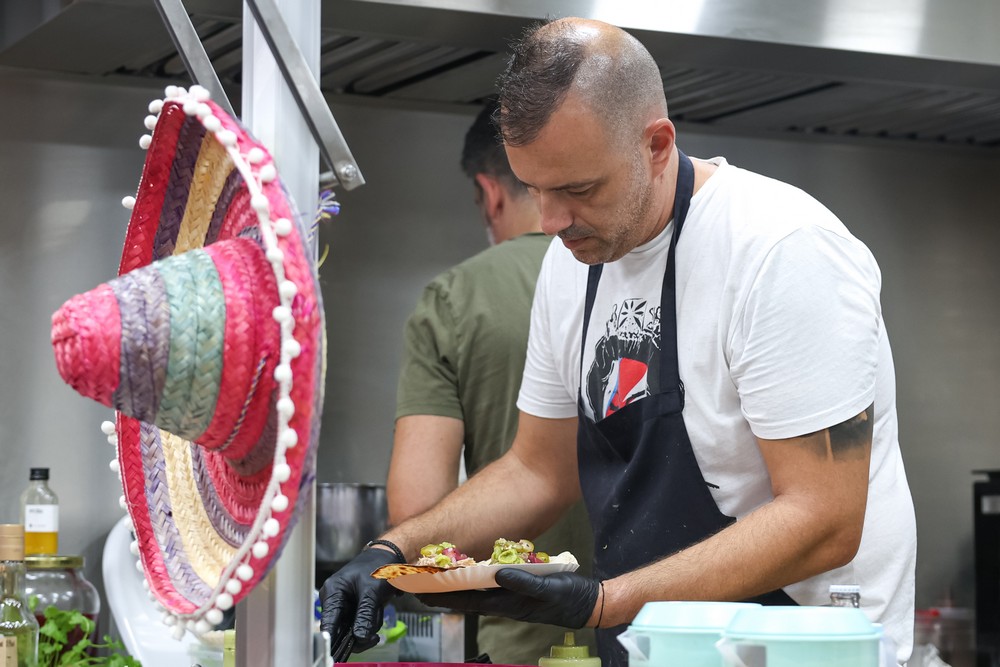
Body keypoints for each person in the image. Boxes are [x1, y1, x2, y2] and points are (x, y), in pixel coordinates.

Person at [321, 17, 917, 667]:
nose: (550, 222)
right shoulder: (567, 267)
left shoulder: (779, 249)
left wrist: (604, 601)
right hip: (663, 649)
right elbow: (536, 469)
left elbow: (824, 516)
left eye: (577, 189)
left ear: (657, 144)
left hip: (799, 650)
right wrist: (393, 550)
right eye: (537, 190)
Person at [386, 99, 595, 664]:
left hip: (522, 640)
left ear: (491, 192)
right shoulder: (631, 273)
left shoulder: (454, 300)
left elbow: (417, 510)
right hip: (670, 634)